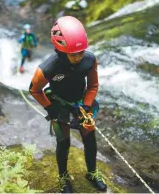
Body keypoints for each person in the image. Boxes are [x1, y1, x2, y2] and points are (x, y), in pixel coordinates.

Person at [29, 16, 107, 193]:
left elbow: (93, 86)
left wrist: (86, 106)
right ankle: (63, 177)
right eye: (74, 54)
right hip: (58, 102)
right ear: (61, 49)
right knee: (63, 141)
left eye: (81, 52)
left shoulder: (89, 60)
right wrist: (50, 108)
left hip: (81, 101)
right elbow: (34, 90)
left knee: (90, 137)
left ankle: (92, 173)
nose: (79, 57)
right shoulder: (48, 68)